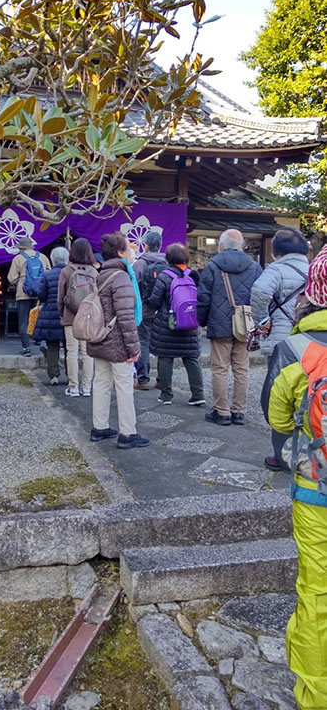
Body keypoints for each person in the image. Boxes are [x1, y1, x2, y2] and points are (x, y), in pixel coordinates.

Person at [261, 245, 327, 710]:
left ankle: (316, 694)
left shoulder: (295, 350)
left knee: (318, 593)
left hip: (316, 489)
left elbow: (278, 419)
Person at [251, 227, 309, 471]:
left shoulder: (276, 269)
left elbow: (259, 290)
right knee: (308, 395)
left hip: (283, 343)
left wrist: (262, 320)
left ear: (277, 251)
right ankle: (309, 452)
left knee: (279, 397)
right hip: (311, 340)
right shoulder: (314, 269)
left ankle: (282, 455)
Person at [87, 231, 150, 449]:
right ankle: (128, 433)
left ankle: (99, 427)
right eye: (129, 247)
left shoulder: (100, 274)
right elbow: (126, 317)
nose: (132, 250)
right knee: (124, 387)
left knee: (101, 383)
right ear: (120, 252)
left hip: (99, 337)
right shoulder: (122, 277)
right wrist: (134, 348)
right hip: (118, 341)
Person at [197, 228, 262, 426]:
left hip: (220, 323)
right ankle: (239, 411)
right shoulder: (254, 267)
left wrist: (202, 321)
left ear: (221, 245)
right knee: (242, 368)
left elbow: (203, 298)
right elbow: (261, 296)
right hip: (245, 324)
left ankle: (221, 411)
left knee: (220, 368)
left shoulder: (212, 266)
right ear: (241, 245)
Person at [149, 243, 205, 406]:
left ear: (168, 258)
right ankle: (198, 394)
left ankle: (166, 395)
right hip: (191, 323)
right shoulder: (194, 275)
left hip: (168, 324)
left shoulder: (164, 276)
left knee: (165, 358)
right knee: (191, 358)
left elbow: (155, 301)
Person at [58, 237, 97, 397]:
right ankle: (86, 387)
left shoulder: (66, 271)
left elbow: (60, 297)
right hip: (88, 318)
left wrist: (62, 314)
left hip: (70, 316)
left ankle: (73, 386)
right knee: (87, 353)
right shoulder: (94, 272)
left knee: (72, 352)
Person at [132, 230, 166, 390]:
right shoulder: (167, 263)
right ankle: (162, 380)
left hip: (144, 311)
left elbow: (133, 288)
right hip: (163, 311)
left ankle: (143, 380)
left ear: (145, 246)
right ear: (160, 246)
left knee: (143, 343)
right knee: (162, 345)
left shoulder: (140, 264)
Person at [8, 236, 50, 356]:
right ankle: (42, 341)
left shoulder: (18, 258)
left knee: (24, 321)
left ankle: (26, 348)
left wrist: (21, 281)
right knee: (40, 318)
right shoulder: (43, 257)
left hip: (23, 293)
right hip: (40, 293)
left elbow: (11, 278)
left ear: (21, 248)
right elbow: (48, 273)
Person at [34, 247, 69, 384]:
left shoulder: (47, 275)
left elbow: (42, 296)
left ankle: (53, 376)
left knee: (52, 346)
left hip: (50, 313)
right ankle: (70, 375)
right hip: (67, 314)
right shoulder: (71, 273)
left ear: (52, 259)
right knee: (69, 347)